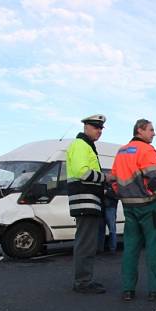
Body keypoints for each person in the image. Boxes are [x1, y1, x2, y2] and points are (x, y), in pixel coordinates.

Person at [112, 119, 156, 302]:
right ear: (140, 130)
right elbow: (153, 179)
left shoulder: (121, 151)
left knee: (130, 248)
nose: (154, 133)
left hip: (128, 206)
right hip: (148, 206)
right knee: (154, 248)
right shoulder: (147, 150)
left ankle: (128, 290)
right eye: (151, 130)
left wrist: (122, 194)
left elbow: (113, 179)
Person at [66, 114, 109, 294]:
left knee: (88, 243)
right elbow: (83, 172)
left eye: (100, 128)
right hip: (85, 201)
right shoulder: (81, 145)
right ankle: (82, 282)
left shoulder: (87, 146)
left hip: (89, 202)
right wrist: (106, 177)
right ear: (86, 127)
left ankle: (85, 279)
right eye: (95, 127)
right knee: (85, 243)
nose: (99, 131)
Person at [98, 180, 118, 253]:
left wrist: (107, 192)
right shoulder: (102, 184)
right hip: (103, 208)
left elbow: (117, 195)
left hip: (110, 208)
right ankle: (100, 249)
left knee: (111, 230)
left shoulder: (114, 184)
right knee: (101, 230)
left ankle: (112, 248)